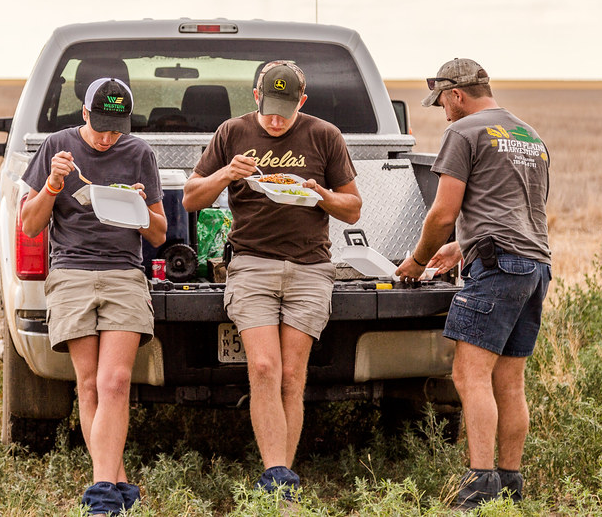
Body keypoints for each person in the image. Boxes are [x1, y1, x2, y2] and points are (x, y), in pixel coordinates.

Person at [182, 60, 362, 499]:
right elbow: (190, 197)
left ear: (302, 100)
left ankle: (281, 481)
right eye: (269, 107)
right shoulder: (232, 132)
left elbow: (353, 207)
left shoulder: (325, 135)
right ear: (256, 97)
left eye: (287, 108)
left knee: (292, 375)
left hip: (310, 268)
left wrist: (321, 194)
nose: (277, 118)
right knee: (263, 367)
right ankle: (276, 473)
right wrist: (227, 173)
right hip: (252, 265)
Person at [395, 58, 551, 509]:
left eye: (443, 101)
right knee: (511, 382)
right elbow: (520, 211)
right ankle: (510, 483)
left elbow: (443, 212)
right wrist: (461, 248)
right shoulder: (529, 136)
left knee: (469, 374)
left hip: (498, 268)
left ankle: (479, 485)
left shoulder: (463, 133)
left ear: (458, 94)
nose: (442, 111)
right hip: (534, 265)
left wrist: (417, 259)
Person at [20, 77, 167, 515]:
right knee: (88, 384)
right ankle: (116, 484)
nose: (106, 137)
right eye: (100, 126)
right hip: (72, 273)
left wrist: (138, 209)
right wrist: (51, 185)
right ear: (84, 114)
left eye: (115, 128)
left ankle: (101, 491)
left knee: (115, 382)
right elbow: (30, 225)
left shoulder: (139, 154)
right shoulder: (57, 147)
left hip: (123, 273)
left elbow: (158, 234)